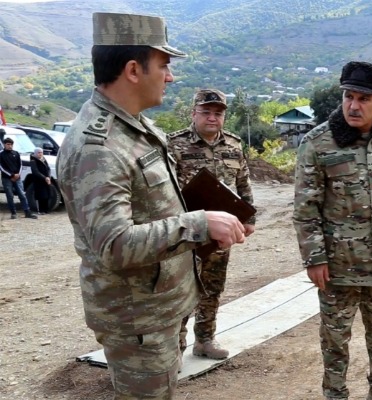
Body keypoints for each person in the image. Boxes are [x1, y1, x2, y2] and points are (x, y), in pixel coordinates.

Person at [56, 12, 245, 399]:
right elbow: (113, 244)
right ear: (132, 70)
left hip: (158, 310)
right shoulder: (99, 146)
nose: (170, 77)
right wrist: (199, 225)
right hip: (137, 319)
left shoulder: (135, 128)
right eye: (163, 65)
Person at [293, 61, 372, 400]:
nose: (353, 105)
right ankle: (335, 394)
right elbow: (305, 209)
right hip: (338, 267)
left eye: (363, 99)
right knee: (335, 338)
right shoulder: (318, 142)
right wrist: (314, 258)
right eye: (348, 96)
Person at [168, 88, 256, 359]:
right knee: (183, 288)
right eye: (206, 112)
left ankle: (205, 340)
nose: (212, 118)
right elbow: (166, 191)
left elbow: (243, 182)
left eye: (217, 113)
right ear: (193, 113)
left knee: (213, 286)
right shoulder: (175, 144)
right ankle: (175, 346)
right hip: (188, 230)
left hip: (222, 231)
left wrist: (249, 218)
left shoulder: (233, 145)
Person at [0, 137, 37, 219]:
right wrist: (11, 175)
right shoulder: (1, 154)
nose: (10, 146)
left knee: (22, 194)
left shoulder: (16, 153)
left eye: (11, 144)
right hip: (7, 178)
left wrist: (18, 174)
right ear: (4, 145)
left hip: (17, 178)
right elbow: (2, 167)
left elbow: (20, 165)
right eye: (8, 144)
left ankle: (27, 212)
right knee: (10, 196)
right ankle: (13, 212)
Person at [29, 147, 51, 214]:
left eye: (41, 152)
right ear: (35, 153)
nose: (40, 154)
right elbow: (35, 171)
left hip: (46, 180)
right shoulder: (33, 161)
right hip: (38, 180)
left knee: (46, 195)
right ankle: (40, 210)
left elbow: (48, 168)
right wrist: (44, 178)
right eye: (39, 153)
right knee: (40, 196)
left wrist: (48, 177)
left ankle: (46, 209)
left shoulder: (43, 159)